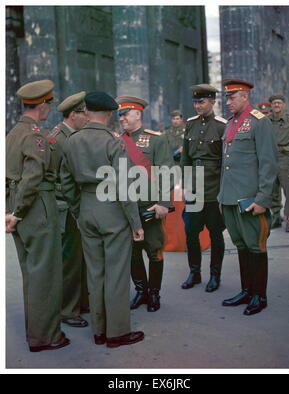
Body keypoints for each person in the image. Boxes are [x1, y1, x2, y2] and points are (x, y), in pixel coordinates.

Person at [60, 91, 145, 348]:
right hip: (112, 210)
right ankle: (117, 333)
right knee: (116, 273)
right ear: (109, 114)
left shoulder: (72, 140)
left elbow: (66, 182)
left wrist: (78, 211)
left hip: (86, 208)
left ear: (87, 111)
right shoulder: (113, 141)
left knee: (95, 273)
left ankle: (99, 330)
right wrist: (135, 223)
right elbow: (123, 185)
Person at [6, 79, 70, 352]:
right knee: (46, 276)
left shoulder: (12, 134)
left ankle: (37, 332)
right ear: (41, 105)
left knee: (32, 275)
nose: (49, 109)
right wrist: (18, 213)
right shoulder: (34, 136)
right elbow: (32, 179)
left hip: (19, 211)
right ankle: (46, 337)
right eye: (49, 104)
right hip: (36, 211)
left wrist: (9, 212)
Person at [218, 78, 278, 316]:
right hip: (230, 198)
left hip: (250, 198)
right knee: (241, 245)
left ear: (244, 96)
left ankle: (259, 296)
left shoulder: (259, 122)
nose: (228, 102)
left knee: (256, 246)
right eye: (227, 98)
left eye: (232, 97)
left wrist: (263, 199)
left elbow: (268, 162)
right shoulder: (231, 123)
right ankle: (246, 290)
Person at [116, 95, 175, 312]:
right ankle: (140, 291)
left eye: (125, 114)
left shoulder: (156, 139)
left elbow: (167, 172)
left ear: (137, 114)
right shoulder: (117, 140)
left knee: (154, 251)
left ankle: (154, 293)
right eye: (119, 115)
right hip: (126, 209)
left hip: (150, 206)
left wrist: (163, 203)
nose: (121, 118)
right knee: (132, 252)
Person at [180, 84, 226, 292]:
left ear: (213, 102)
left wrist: (224, 192)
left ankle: (215, 275)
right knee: (191, 233)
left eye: (202, 102)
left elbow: (226, 162)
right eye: (195, 102)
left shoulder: (221, 126)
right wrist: (184, 184)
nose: (197, 106)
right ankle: (194, 272)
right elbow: (186, 158)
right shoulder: (189, 124)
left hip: (214, 189)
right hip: (194, 190)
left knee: (216, 234)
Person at [49, 91, 89, 328]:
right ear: (73, 114)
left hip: (74, 205)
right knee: (70, 262)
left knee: (79, 259)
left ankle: (81, 303)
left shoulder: (70, 135)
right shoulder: (59, 138)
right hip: (66, 209)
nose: (87, 117)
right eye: (84, 114)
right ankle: (67, 310)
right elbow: (55, 179)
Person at [268, 94, 289, 232]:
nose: (276, 105)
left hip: (286, 159)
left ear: (283, 104)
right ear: (271, 105)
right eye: (274, 103)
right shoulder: (266, 121)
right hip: (271, 158)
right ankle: (276, 217)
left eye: (279, 103)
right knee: (273, 190)